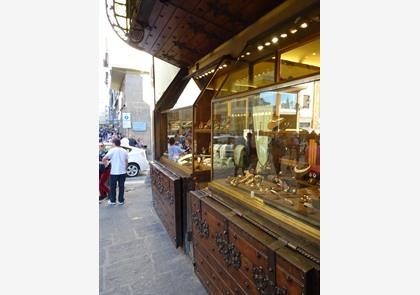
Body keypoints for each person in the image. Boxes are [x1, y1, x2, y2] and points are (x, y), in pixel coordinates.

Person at [102, 138, 128, 205]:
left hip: (114, 172)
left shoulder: (112, 150)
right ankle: (121, 200)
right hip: (122, 172)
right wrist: (125, 169)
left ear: (114, 143)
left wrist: (106, 164)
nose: (111, 144)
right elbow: (126, 161)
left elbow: (104, 159)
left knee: (112, 187)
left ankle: (112, 201)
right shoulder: (124, 151)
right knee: (121, 186)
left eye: (112, 143)